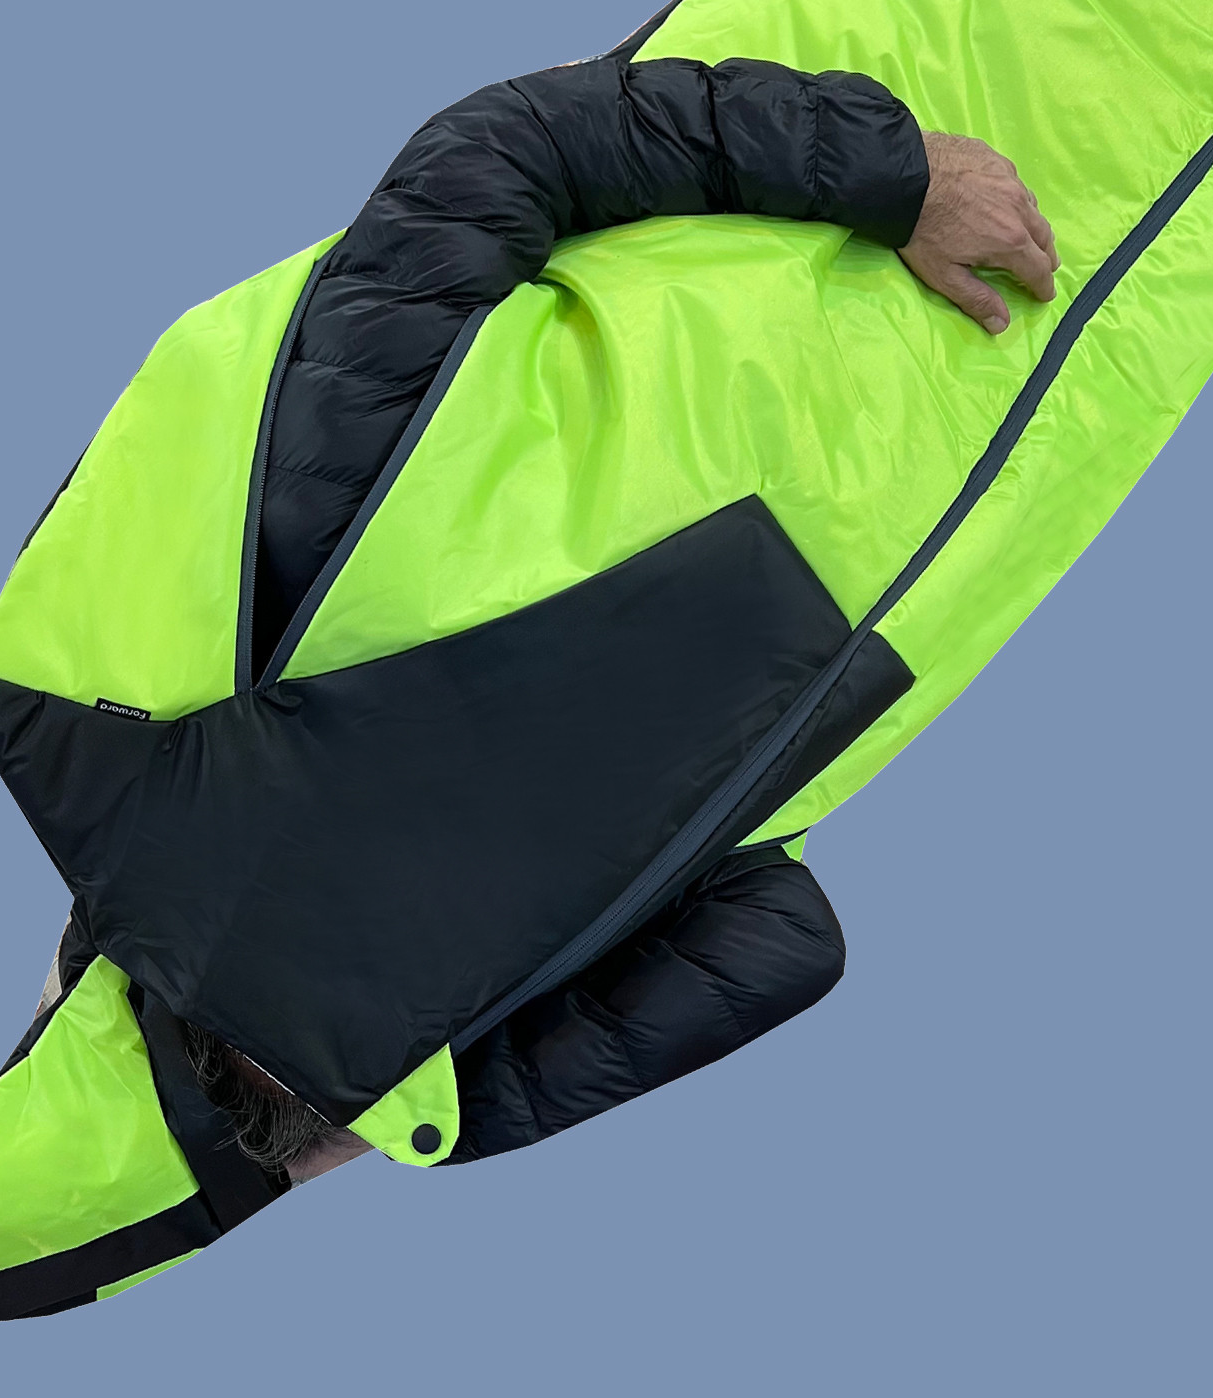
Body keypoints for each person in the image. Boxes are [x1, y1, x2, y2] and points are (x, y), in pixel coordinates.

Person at [153, 42, 1058, 1186]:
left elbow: (497, 160)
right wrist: (445, 1119)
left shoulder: (298, 575)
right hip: (1099, 330)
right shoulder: (571, 902)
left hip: (955, 87)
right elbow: (780, 943)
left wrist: (894, 173)